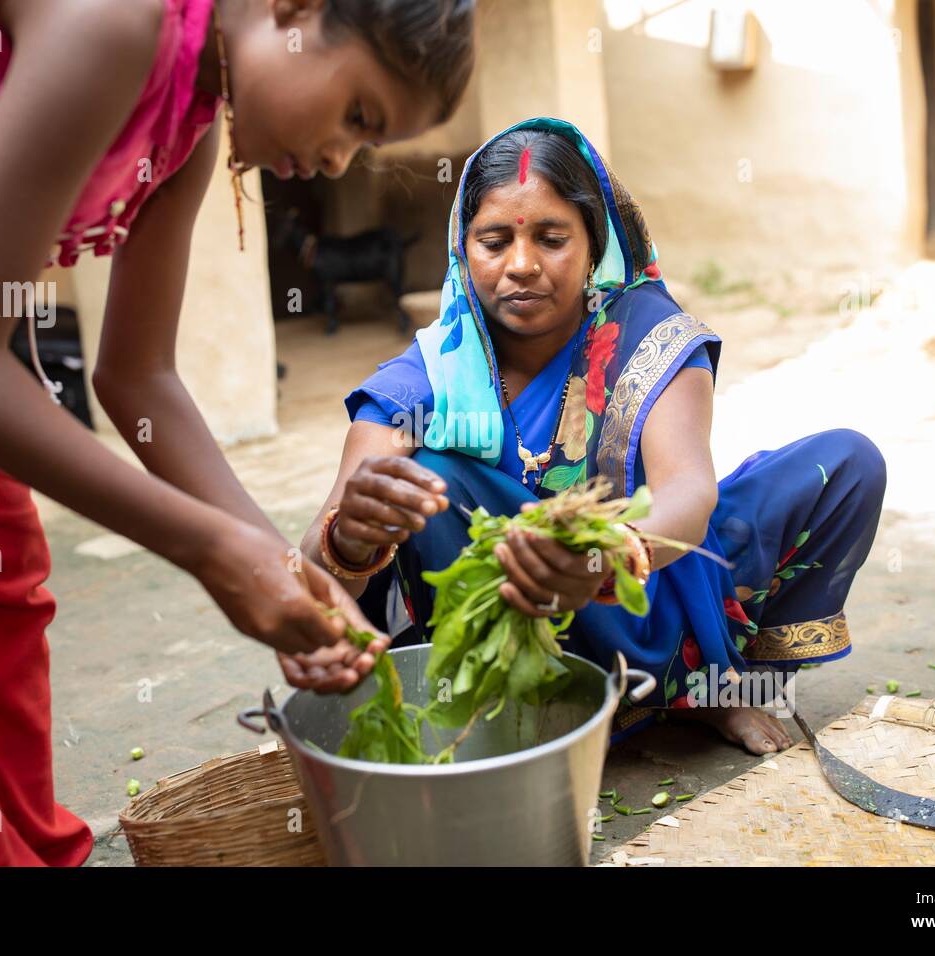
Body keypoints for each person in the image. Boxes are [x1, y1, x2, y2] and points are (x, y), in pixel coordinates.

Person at [0, 0, 475, 865]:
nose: (340, 158)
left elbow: (137, 375)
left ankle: (40, 850)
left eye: (365, 145)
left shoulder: (187, 128)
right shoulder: (116, 23)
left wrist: (285, 568)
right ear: (294, 10)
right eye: (357, 115)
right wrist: (211, 550)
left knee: (2, 561)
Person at [284, 118, 887, 756]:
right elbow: (315, 573)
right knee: (428, 479)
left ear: (593, 246)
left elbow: (688, 491)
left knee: (847, 464)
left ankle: (711, 692)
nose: (521, 266)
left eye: (551, 238)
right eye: (493, 242)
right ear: (463, 250)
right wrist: (350, 536)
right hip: (517, 628)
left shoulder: (646, 334)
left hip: (646, 591)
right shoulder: (424, 378)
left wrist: (602, 557)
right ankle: (516, 713)